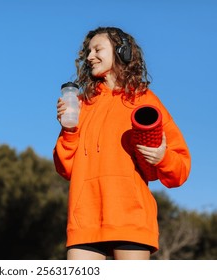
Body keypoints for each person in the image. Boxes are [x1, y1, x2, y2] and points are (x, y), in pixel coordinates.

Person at [53, 26, 191, 260]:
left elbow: (181, 168)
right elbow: (65, 168)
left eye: (97, 49)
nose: (89, 57)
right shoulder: (80, 105)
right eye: (88, 51)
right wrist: (68, 130)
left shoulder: (145, 100)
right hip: (84, 221)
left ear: (122, 52)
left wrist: (162, 157)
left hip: (131, 220)